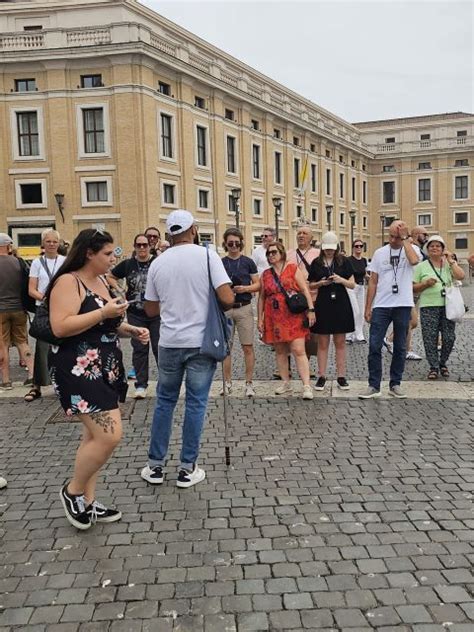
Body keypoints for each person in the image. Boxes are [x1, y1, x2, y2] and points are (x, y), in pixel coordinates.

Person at [48, 229, 150, 530]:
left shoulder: (103, 281)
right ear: (89, 253)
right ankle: (73, 491)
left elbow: (107, 322)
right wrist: (103, 312)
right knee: (109, 435)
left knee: (93, 437)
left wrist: (131, 329)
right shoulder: (69, 281)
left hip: (105, 365)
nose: (112, 259)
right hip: (79, 367)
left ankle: (88, 503)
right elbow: (61, 326)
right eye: (107, 254)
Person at [141, 210, 234, 488]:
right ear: (193, 229)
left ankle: (155, 466)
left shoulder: (158, 262)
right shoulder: (207, 256)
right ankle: (186, 467)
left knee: (165, 402)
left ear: (169, 234)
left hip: (170, 341)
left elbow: (150, 308)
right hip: (201, 341)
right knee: (196, 403)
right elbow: (227, 298)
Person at [359, 220, 422, 399]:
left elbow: (414, 261)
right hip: (381, 304)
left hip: (402, 304)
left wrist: (406, 239)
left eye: (397, 236)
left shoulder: (411, 249)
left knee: (400, 346)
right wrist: (368, 306)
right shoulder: (379, 253)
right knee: (374, 345)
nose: (394, 240)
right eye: (391, 236)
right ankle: (373, 385)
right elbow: (373, 281)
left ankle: (395, 383)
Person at [258, 241, 315, 399]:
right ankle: (286, 383)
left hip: (293, 315)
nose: (271, 255)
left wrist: (311, 310)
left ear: (281, 253)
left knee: (298, 350)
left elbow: (304, 289)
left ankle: (306, 385)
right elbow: (261, 298)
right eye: (268, 253)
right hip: (274, 317)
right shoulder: (266, 274)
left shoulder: (292, 268)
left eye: (274, 252)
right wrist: (260, 319)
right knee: (280, 351)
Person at [109, 234, 159, 399]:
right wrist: (120, 291)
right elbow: (110, 276)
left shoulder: (157, 262)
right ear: (135, 246)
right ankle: (141, 384)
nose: (142, 248)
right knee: (139, 349)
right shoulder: (128, 264)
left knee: (160, 348)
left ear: (150, 246)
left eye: (145, 245)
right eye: (139, 245)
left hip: (156, 312)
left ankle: (165, 383)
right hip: (136, 312)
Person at [308, 231, 356, 391]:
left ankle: (341, 376)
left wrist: (340, 280)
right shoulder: (316, 262)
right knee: (322, 342)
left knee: (340, 341)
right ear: (322, 247)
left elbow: (352, 284)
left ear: (336, 247)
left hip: (341, 303)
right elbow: (310, 285)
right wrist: (321, 283)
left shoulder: (344, 262)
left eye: (331, 248)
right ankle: (321, 375)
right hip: (323, 303)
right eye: (326, 248)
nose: (329, 251)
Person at [413, 235, 465, 379]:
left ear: (443, 249)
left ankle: (443, 362)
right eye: (431, 246)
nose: (434, 248)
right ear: (427, 250)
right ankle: (434, 367)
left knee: (449, 337)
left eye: (438, 246)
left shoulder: (448, 264)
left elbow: (461, 276)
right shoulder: (421, 266)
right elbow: (413, 288)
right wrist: (425, 284)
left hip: (448, 306)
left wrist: (452, 261)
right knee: (430, 338)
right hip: (428, 306)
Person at [26, 229, 66, 402]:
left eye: (54, 241)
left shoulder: (65, 261)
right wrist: (45, 298)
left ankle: (65, 382)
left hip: (62, 308)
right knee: (42, 347)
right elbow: (31, 289)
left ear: (59, 243)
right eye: (48, 241)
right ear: (43, 243)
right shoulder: (36, 263)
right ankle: (37, 385)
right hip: (43, 309)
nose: (51, 244)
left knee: (64, 345)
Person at [221, 228, 260, 397]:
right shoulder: (220, 262)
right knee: (226, 349)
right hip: (226, 309)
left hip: (244, 307)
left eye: (237, 243)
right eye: (230, 243)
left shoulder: (248, 261)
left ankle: (249, 383)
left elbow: (258, 284)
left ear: (241, 243)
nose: (234, 246)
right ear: (225, 244)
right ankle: (227, 383)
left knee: (248, 347)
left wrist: (245, 288)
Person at [384, 225, 428, 360]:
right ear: (416, 235)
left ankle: (392, 340)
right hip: (407, 290)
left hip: (412, 289)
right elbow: (416, 263)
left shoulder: (414, 248)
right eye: (424, 234)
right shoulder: (411, 248)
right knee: (410, 321)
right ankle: (403, 348)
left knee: (411, 322)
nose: (426, 237)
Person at [0, 233, 34, 389]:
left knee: (3, 345)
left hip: (1, 310)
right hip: (19, 308)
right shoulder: (19, 263)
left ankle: (6, 381)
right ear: (8, 246)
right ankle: (32, 375)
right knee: (22, 342)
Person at [287, 224, 320, 374]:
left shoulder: (318, 254)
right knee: (289, 330)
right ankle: (286, 365)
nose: (301, 235)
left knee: (311, 333)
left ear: (311, 238)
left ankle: (306, 364)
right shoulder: (288, 254)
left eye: (305, 233)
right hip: (293, 299)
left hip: (313, 298)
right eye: (299, 233)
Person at [346, 239, 368, 343]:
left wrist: (371, 278)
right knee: (355, 311)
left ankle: (359, 334)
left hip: (361, 287)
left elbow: (364, 274)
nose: (359, 248)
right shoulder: (348, 260)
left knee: (361, 311)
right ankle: (349, 335)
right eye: (356, 246)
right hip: (352, 287)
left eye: (361, 246)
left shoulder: (364, 260)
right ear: (353, 247)